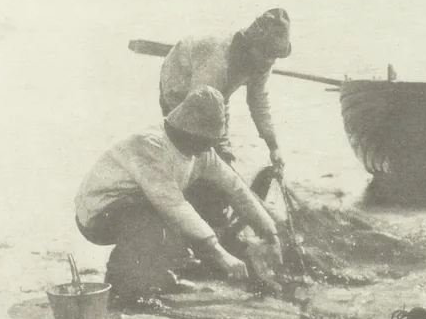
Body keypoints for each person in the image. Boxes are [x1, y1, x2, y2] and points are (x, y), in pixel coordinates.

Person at [74, 85, 282, 302]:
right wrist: (218, 252)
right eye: (206, 139)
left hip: (143, 204)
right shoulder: (150, 145)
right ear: (189, 131)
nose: (209, 146)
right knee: (156, 220)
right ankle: (123, 288)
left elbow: (235, 188)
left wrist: (270, 233)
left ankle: (162, 274)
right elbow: (173, 206)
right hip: (98, 214)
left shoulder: (200, 152)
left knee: (210, 192)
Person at [158, 7, 292, 172]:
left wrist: (273, 146)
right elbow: (201, 106)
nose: (270, 61)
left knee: (220, 155)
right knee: (189, 145)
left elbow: (259, 102)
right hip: (179, 84)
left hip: (217, 92)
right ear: (252, 46)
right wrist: (219, 149)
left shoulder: (263, 61)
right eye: (267, 54)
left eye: (275, 56)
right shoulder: (218, 57)